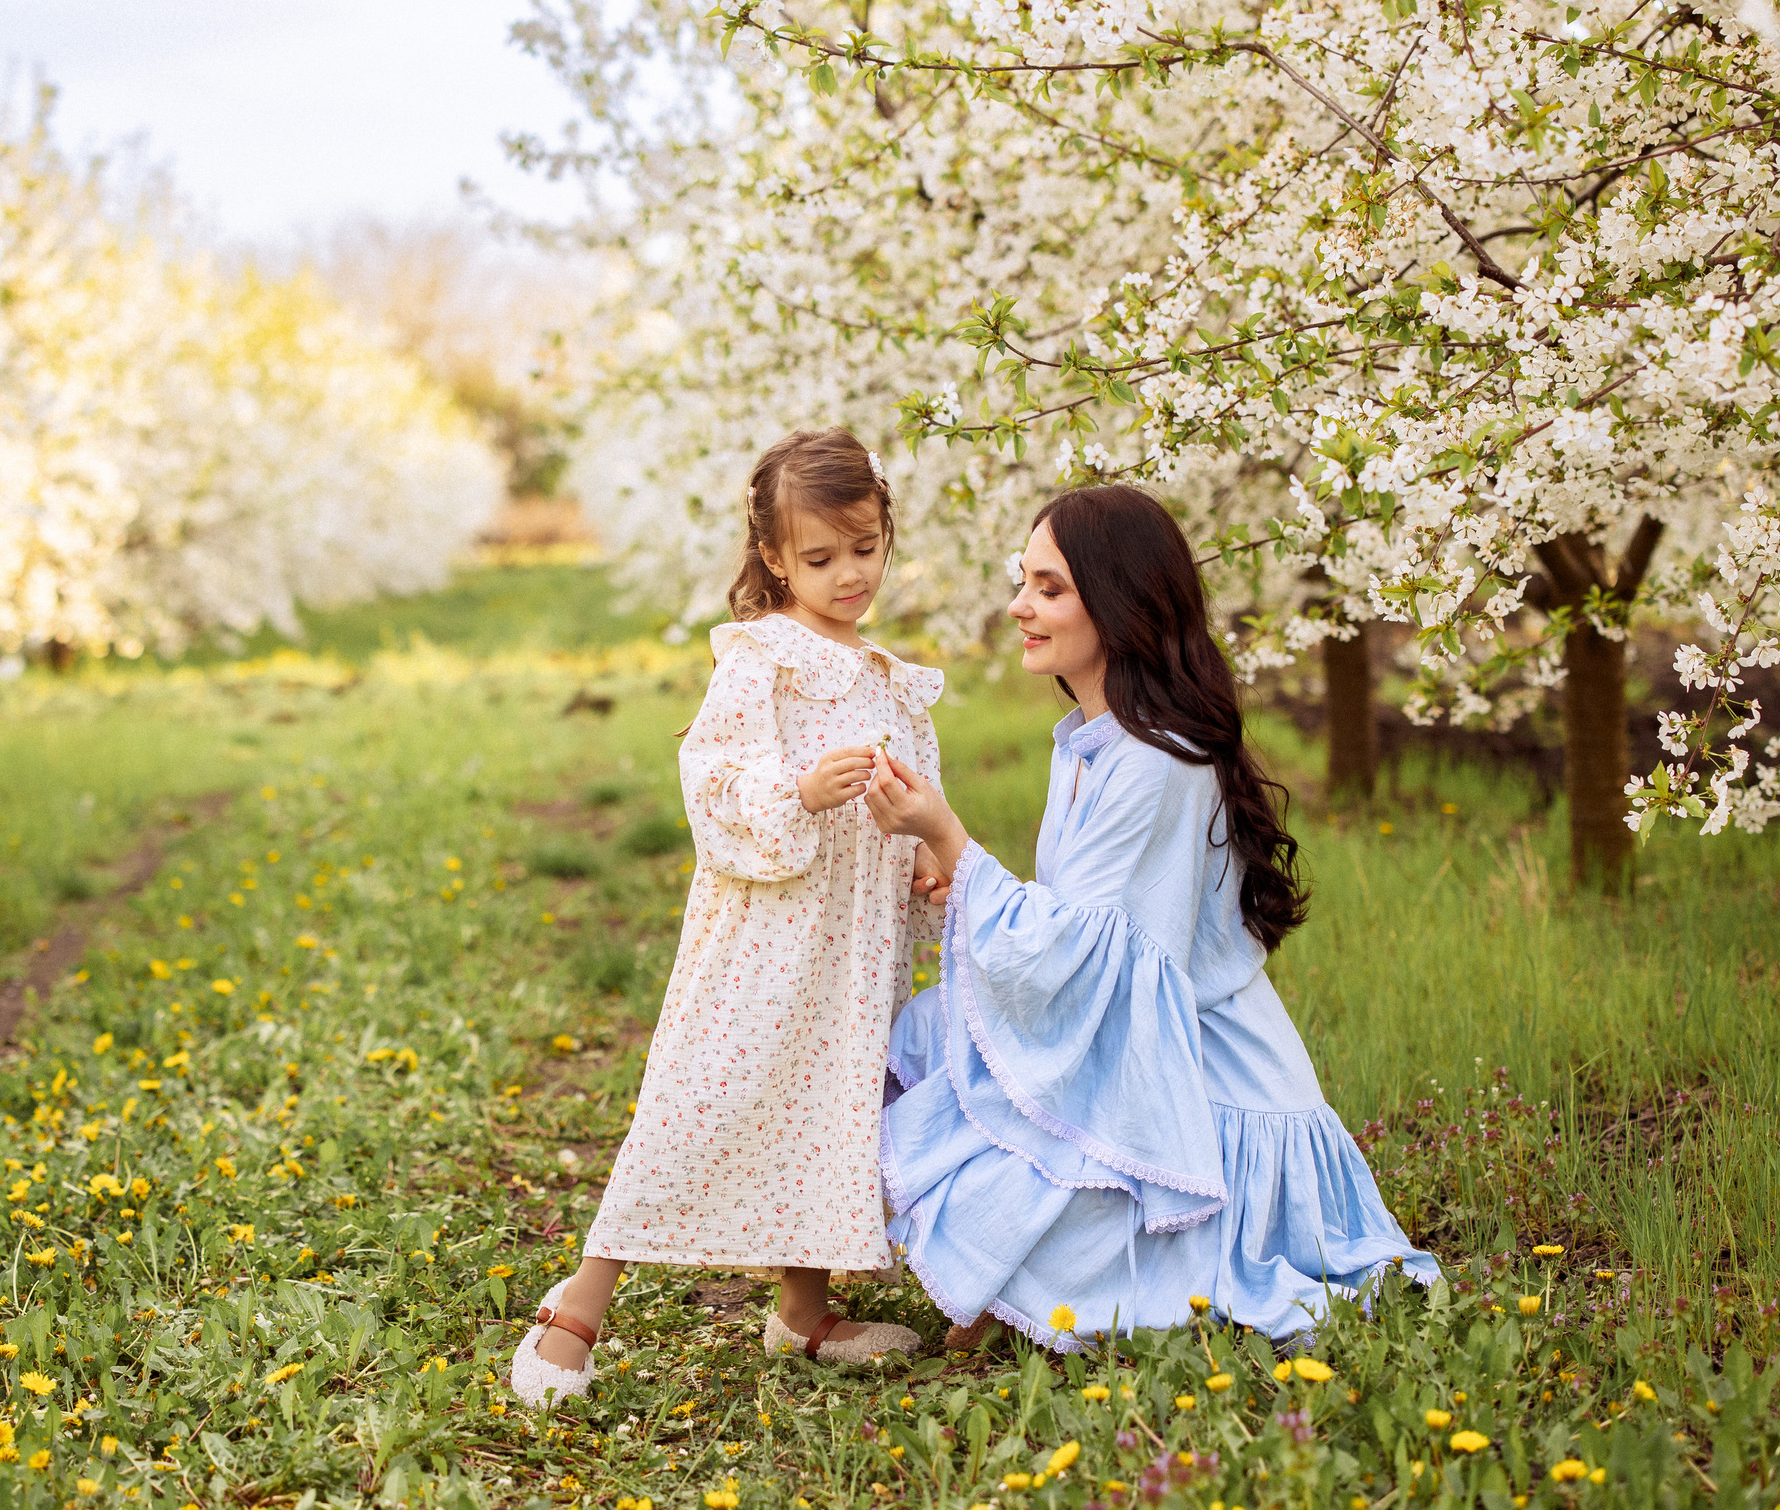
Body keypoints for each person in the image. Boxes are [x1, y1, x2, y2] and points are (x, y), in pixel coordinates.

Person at [861, 484, 1436, 1351]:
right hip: (1129, 1037)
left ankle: (1013, 1282)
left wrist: (948, 833)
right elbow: (1082, 930)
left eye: (1049, 588)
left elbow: (1083, 956)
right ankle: (990, 1278)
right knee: (923, 1042)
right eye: (1024, 580)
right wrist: (959, 876)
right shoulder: (1092, 744)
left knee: (1027, 1166)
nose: (1019, 605)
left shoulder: (1159, 761)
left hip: (1199, 1077)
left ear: (1120, 604)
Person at [510, 428, 944, 1407]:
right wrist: (796, 787)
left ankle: (803, 1306)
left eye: (864, 549)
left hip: (850, 949)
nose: (848, 575)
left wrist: (920, 848)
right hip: (768, 940)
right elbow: (712, 776)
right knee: (705, 1093)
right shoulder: (764, 660)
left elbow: (919, 788)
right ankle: (583, 1295)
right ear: (775, 559)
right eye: (821, 558)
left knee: (834, 1101)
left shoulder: (887, 673)